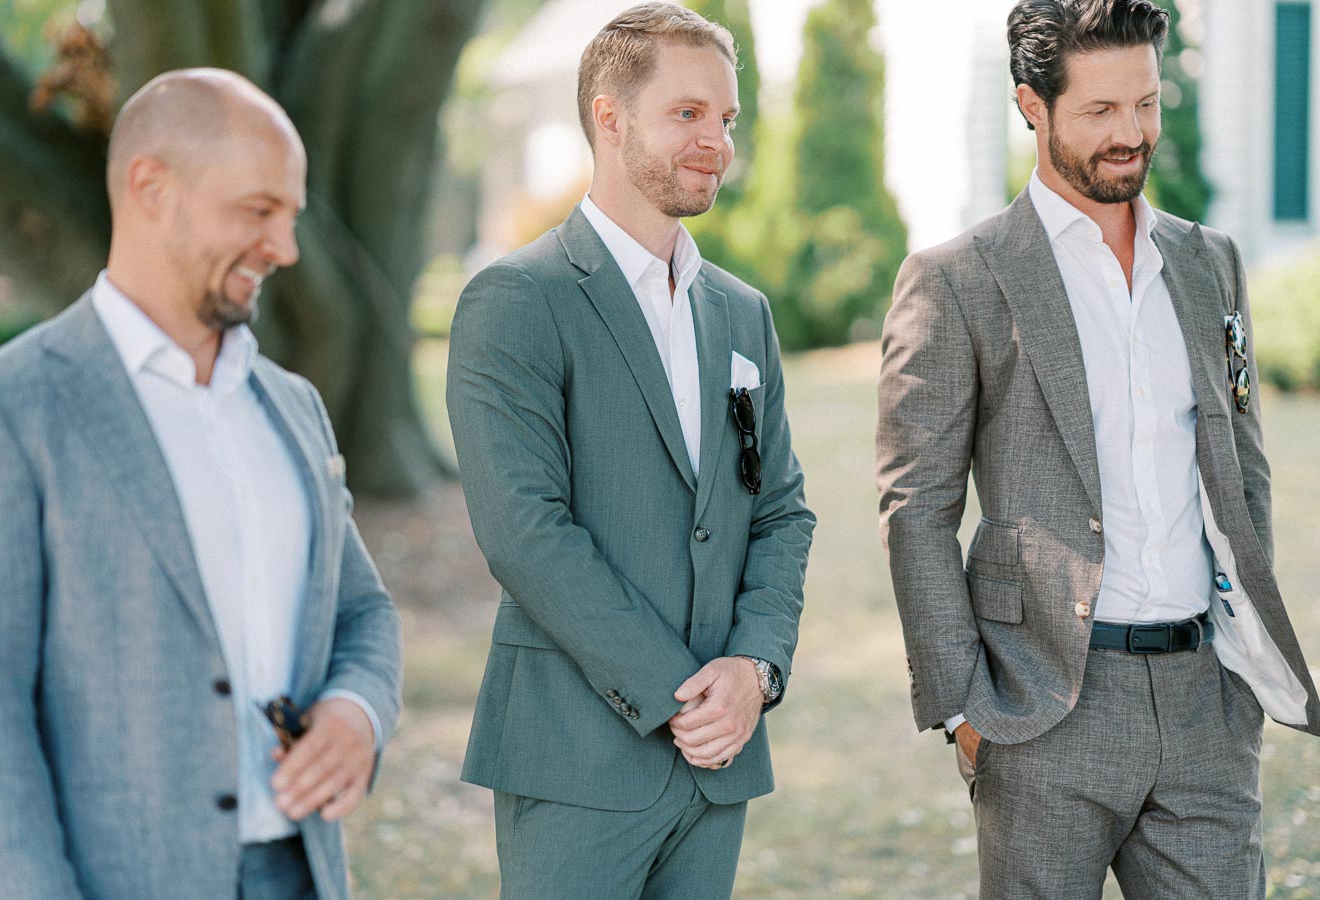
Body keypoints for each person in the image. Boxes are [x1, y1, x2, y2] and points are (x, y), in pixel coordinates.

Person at [876, 1, 1320, 896]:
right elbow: (916, 507)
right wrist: (963, 707)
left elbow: (1243, 467)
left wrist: (1239, 671)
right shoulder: (957, 279)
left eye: (1147, 105)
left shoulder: (1210, 263)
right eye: (1101, 112)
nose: (1133, 135)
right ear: (1032, 107)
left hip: (1207, 704)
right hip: (1041, 706)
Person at [0, 68, 403, 900]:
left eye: (291, 216)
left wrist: (358, 711)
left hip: (302, 875)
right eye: (258, 211)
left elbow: (363, 611)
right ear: (150, 188)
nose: (285, 249)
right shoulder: (10, 406)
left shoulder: (293, 407)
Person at [446, 4, 815, 897]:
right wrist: (686, 695)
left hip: (716, 769)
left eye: (726, 119)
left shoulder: (742, 313)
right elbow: (525, 533)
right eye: (688, 113)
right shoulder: (516, 299)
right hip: (575, 762)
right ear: (609, 119)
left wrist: (754, 671)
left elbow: (780, 509)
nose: (717, 142)